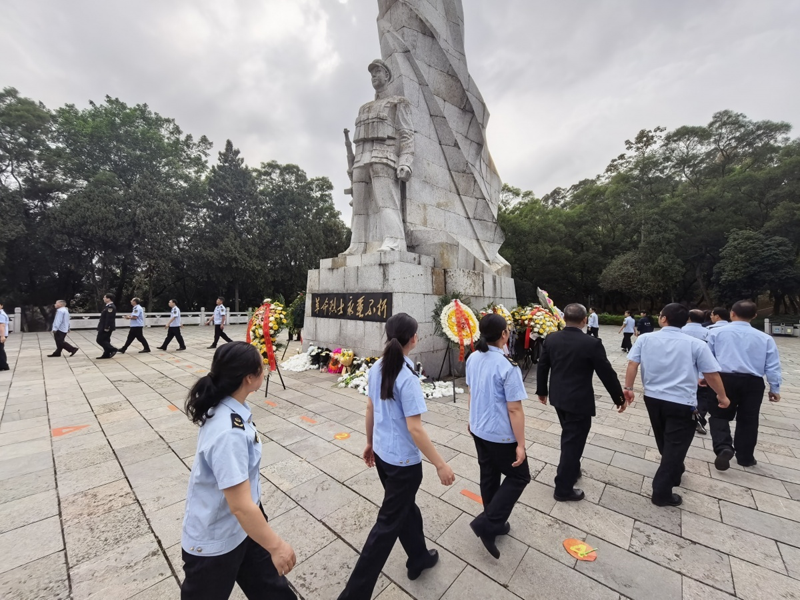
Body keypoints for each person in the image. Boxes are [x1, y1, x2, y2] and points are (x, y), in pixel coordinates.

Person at [338, 313, 455, 599]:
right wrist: (440, 464)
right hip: (403, 464)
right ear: (413, 338)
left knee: (405, 509)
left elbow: (370, 408)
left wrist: (370, 442)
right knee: (386, 527)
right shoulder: (406, 377)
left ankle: (418, 557)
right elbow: (415, 428)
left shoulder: (377, 367)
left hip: (384, 457)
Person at [181, 342, 296, 599]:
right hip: (217, 542)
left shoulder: (229, 407)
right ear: (249, 378)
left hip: (246, 528)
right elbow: (240, 506)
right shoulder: (228, 432)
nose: (265, 369)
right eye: (262, 366)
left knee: (275, 593)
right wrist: (277, 546)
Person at [625, 303, 730, 506]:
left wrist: (628, 387)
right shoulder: (696, 344)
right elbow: (711, 374)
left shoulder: (645, 339)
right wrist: (722, 396)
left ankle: (674, 468)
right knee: (675, 444)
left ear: (664, 319)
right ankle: (661, 491)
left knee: (663, 438)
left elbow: (632, 364)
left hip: (653, 398)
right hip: (681, 401)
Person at [537, 304, 627, 503]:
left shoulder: (552, 338)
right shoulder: (591, 343)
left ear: (564, 319)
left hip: (558, 397)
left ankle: (573, 469)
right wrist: (619, 398)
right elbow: (606, 373)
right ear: (585, 320)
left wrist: (542, 391)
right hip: (578, 401)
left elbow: (543, 366)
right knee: (573, 443)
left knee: (571, 436)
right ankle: (563, 488)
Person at [466, 314, 530, 558]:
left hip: (479, 429)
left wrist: (471, 419)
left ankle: (494, 522)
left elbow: (472, 391)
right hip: (500, 435)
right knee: (520, 476)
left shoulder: (473, 357)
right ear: (504, 334)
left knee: (489, 475)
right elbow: (514, 409)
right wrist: (521, 444)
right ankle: (489, 523)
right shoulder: (507, 366)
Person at [706, 300, 781, 470]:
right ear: (754, 316)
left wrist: (703, 378)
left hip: (723, 379)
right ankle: (745, 457)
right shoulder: (765, 338)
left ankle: (723, 447)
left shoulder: (716, 333)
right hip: (753, 382)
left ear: (732, 313)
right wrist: (774, 388)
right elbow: (772, 365)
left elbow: (707, 359)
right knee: (749, 419)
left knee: (718, 415)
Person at [682, 310, 711, 435]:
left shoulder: (680, 330)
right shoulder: (709, 333)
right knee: (702, 396)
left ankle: (685, 418)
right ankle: (699, 418)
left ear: (688, 318)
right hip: (702, 371)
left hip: (682, 370)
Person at [96, 293, 118, 360]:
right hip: (103, 326)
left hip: (106, 327)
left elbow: (109, 318)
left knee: (99, 340)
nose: (103, 298)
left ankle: (113, 349)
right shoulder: (107, 306)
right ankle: (106, 354)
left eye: (104, 297)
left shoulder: (110, 307)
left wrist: (107, 327)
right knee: (106, 340)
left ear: (108, 299)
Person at [0, 300, 9, 371]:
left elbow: (2, 326)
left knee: (0, 350)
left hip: (1, 334)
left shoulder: (1, 314)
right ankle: (3, 365)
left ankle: (3, 365)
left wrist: (2, 336)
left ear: (1, 306)